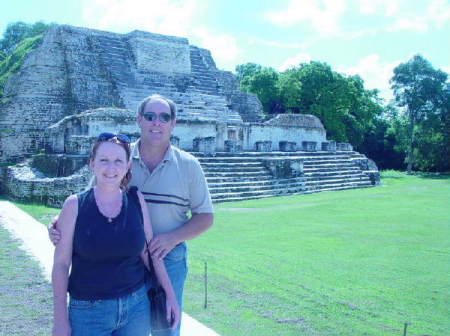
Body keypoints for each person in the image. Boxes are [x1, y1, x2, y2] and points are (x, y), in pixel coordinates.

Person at [50, 94, 214, 336]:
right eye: (150, 116)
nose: (156, 122)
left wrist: (171, 238)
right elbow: (87, 200)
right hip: (123, 259)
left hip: (167, 257)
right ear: (139, 120)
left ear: (173, 123)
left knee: (165, 327)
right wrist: (59, 225)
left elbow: (206, 217)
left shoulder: (188, 165)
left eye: (164, 117)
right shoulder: (118, 153)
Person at [52, 132, 180, 336]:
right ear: (92, 163)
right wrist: (59, 321)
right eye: (104, 160)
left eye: (118, 161)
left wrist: (170, 296)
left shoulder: (136, 199)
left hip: (137, 307)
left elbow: (149, 253)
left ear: (128, 166)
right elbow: (60, 265)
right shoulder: (74, 205)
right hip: (88, 312)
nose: (111, 168)